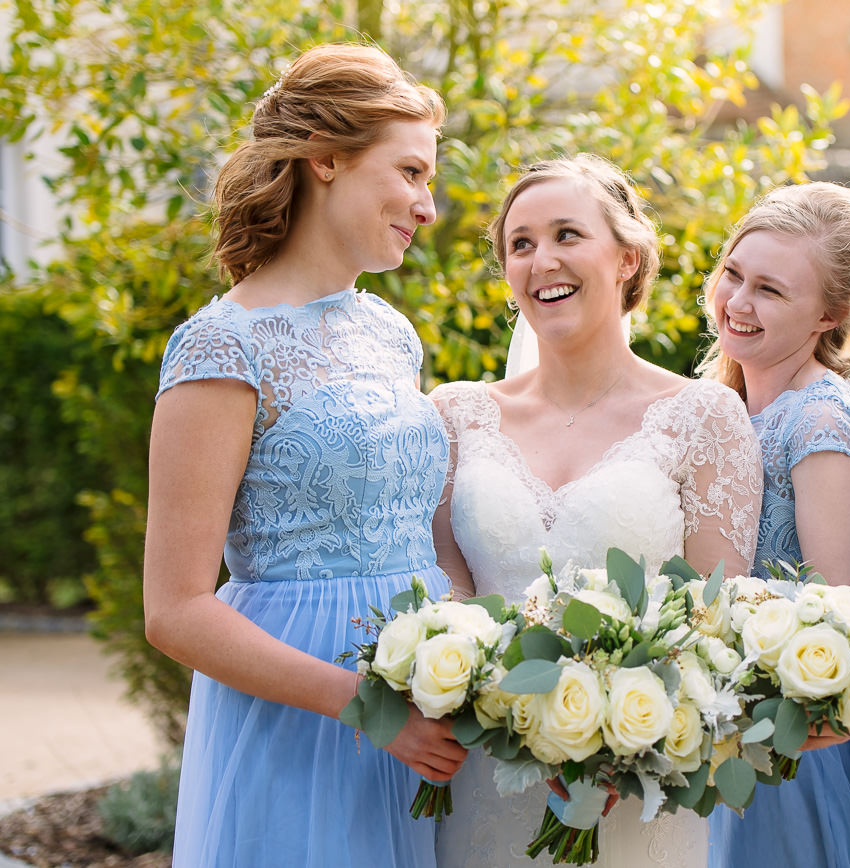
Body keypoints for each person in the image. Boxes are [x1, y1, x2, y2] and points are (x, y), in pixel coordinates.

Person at [143, 44, 467, 867]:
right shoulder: (221, 347)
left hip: (425, 708)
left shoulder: (391, 333)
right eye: (410, 172)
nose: (427, 205)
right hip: (305, 718)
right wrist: (366, 707)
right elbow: (175, 610)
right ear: (327, 158)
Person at [430, 153, 762, 868]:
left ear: (627, 257)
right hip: (479, 776)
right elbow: (445, 599)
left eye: (566, 235)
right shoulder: (456, 415)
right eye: (520, 244)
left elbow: (716, 619)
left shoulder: (703, 417)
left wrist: (621, 740)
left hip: (636, 789)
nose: (541, 259)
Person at [699, 182, 850, 868]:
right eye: (733, 275)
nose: (738, 303)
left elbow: (843, 606)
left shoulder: (819, 420)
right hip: (712, 728)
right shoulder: (724, 402)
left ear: (827, 316)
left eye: (770, 290)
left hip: (780, 747)